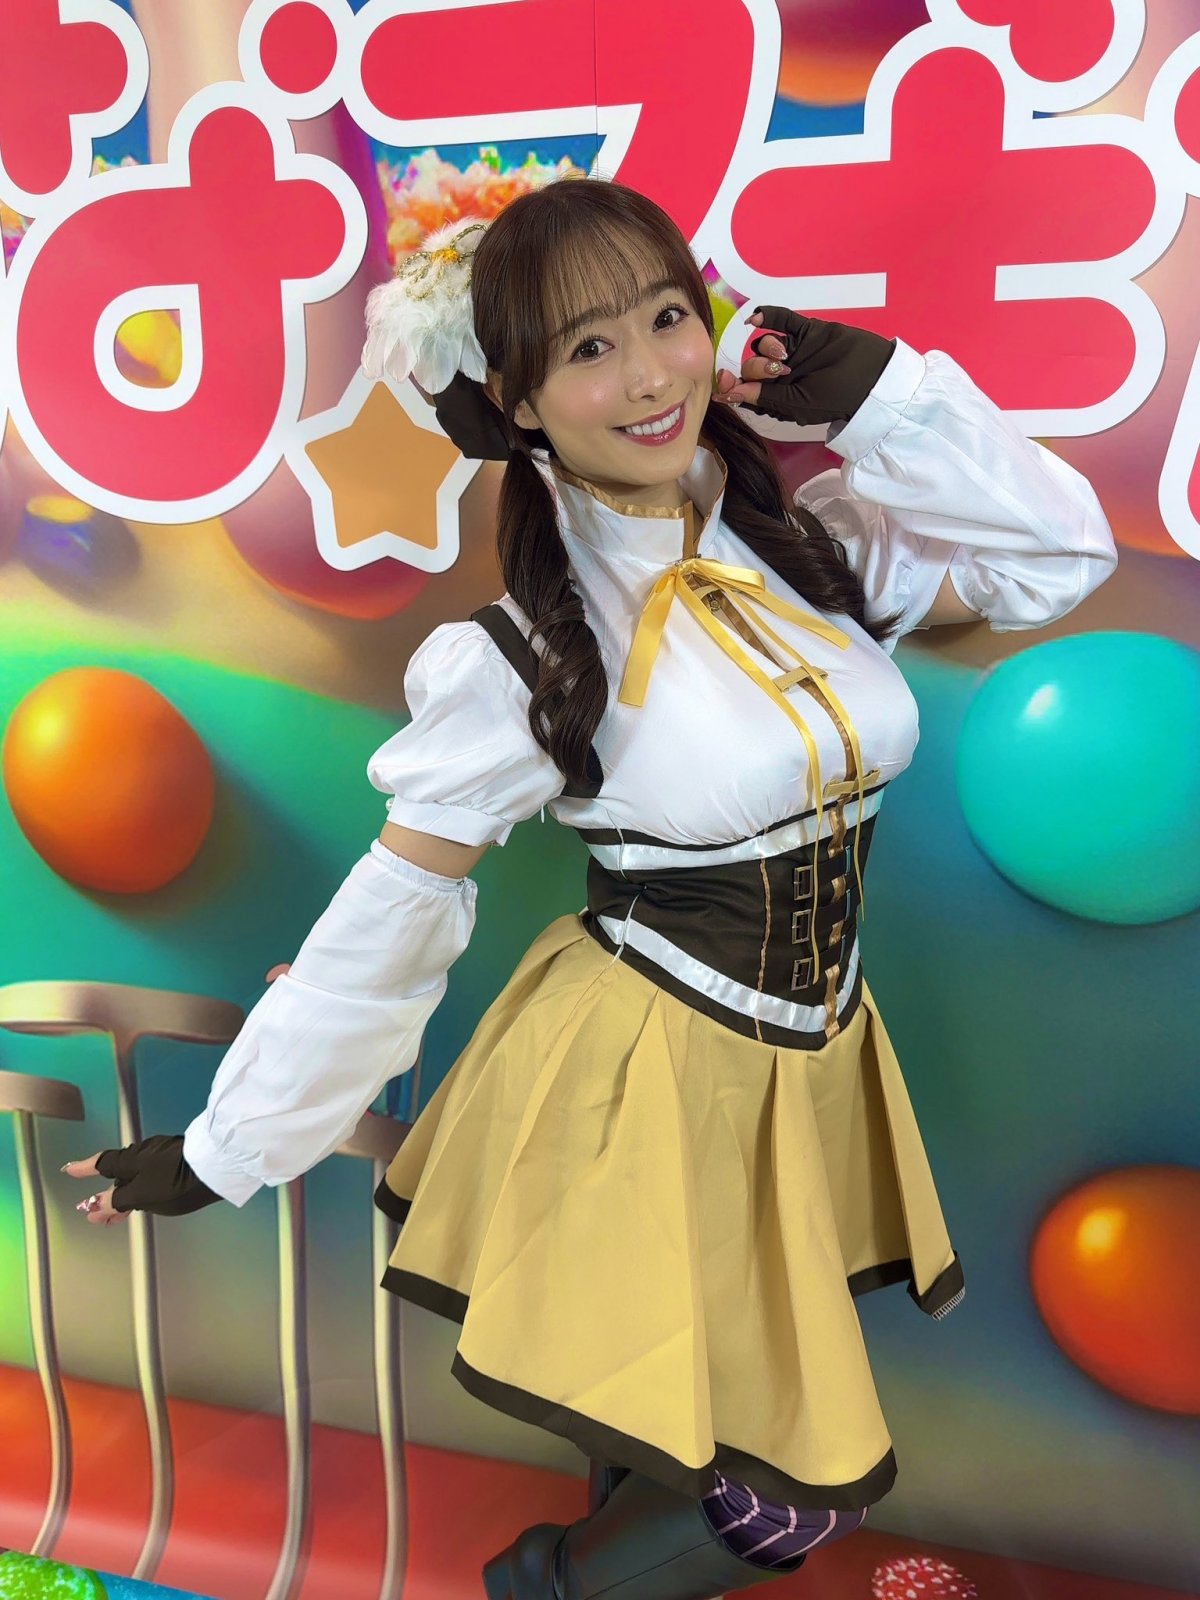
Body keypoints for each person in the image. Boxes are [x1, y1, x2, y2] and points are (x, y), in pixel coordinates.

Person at [65, 179, 1117, 1599]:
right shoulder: (520, 660)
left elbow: (1059, 557)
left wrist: (882, 400)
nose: (650, 375)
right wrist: (225, 1149)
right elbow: (389, 920)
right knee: (776, 1498)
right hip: (636, 1088)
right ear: (519, 402)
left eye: (667, 317)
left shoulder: (813, 554)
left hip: (805, 1071)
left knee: (674, 1424)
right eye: (588, 348)